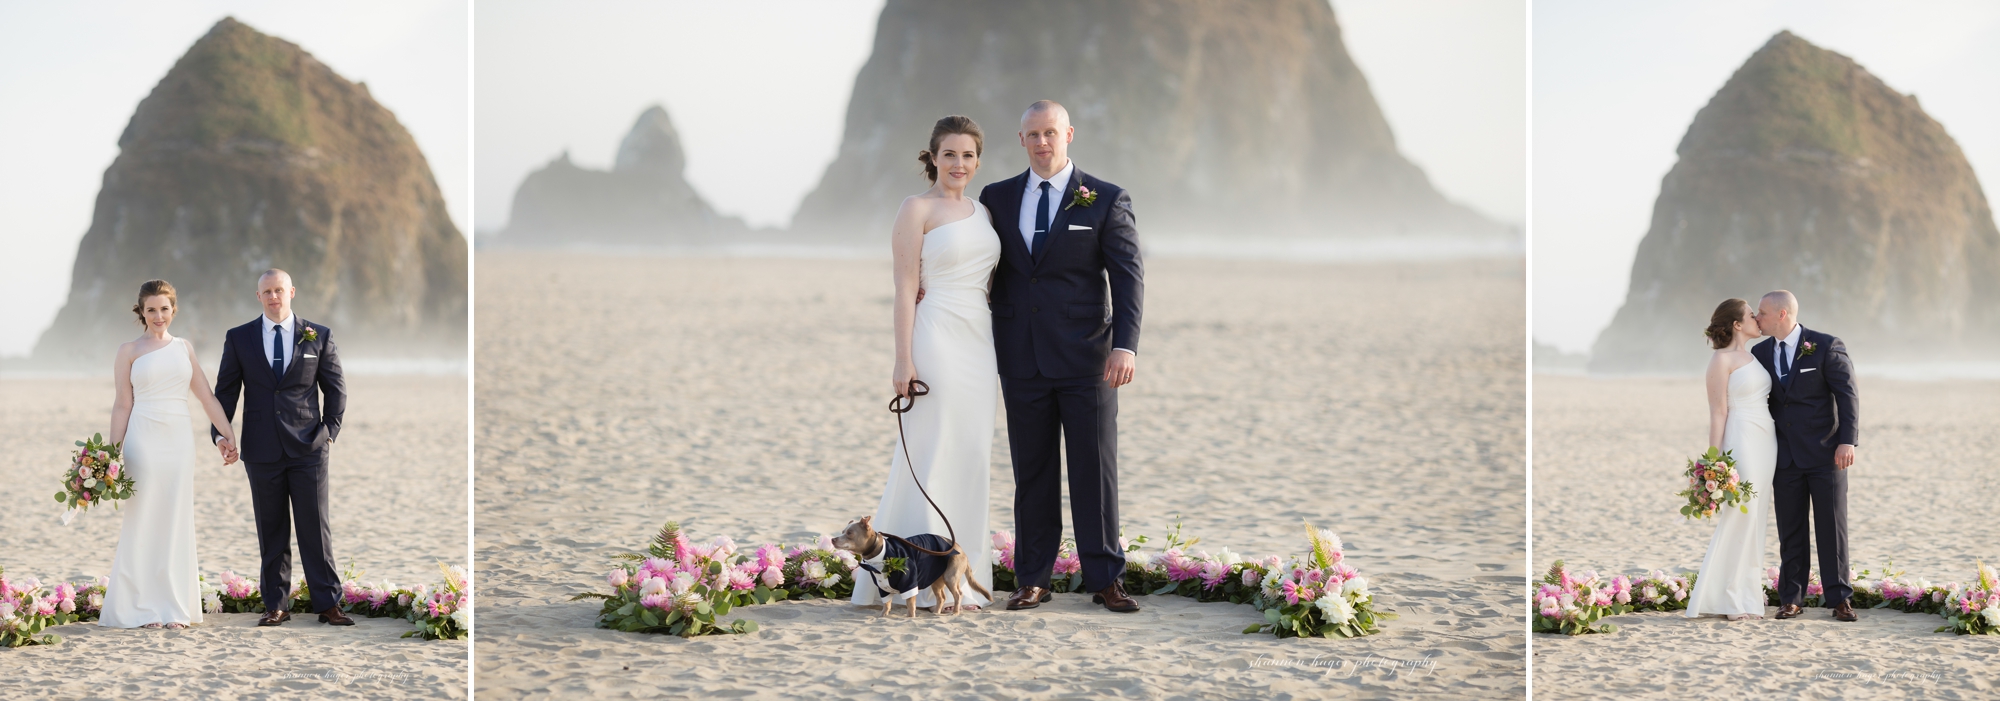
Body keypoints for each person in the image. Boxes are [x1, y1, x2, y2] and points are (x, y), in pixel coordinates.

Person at [978, 100, 1144, 613]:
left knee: (1095, 471)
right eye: (1033, 134)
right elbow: (983, 263)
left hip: (1089, 359)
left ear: (1068, 134)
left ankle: (1105, 579)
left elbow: (1128, 277)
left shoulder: (1106, 199)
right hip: (1020, 359)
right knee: (1032, 473)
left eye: (1051, 132)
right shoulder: (997, 199)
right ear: (1021, 139)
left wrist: (1125, 345)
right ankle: (1033, 578)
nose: (1042, 142)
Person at [850, 115, 1001, 612]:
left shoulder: (984, 211)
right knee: (931, 446)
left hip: (979, 342)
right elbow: (902, 288)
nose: (960, 164)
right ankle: (904, 571)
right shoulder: (915, 209)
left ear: (978, 160)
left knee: (971, 452)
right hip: (934, 336)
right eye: (950, 154)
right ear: (933, 157)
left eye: (969, 155)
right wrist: (902, 358)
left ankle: (959, 569)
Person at [210, 269, 352, 626]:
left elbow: (336, 389)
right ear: (258, 297)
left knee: (315, 528)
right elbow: (225, 392)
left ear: (292, 292)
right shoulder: (239, 338)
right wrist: (220, 435)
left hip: (310, 447)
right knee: (271, 528)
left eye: (279, 290)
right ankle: (276, 604)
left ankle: (328, 604)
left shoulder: (318, 335)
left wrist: (329, 433)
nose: (274, 296)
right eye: (266, 292)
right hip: (260, 450)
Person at [99, 279, 241, 629]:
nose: (158, 316)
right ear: (141, 312)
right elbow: (121, 404)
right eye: (151, 310)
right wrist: (112, 456)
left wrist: (227, 433)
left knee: (176, 519)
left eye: (164, 309)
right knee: (144, 518)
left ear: (173, 311)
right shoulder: (128, 351)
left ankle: (174, 609)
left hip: (178, 443)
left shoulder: (184, 348)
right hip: (142, 441)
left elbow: (206, 396)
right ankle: (142, 609)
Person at [1751, 290, 1860, 622]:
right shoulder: (1759, 352)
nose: (1757, 318)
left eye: (1763, 313)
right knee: (1791, 531)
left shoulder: (1826, 345)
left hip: (1827, 454)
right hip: (1783, 458)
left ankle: (1839, 599)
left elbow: (1847, 395)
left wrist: (1848, 442)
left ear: (1782, 314)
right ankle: (1792, 599)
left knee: (1832, 528)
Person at [1682, 298, 1775, 621]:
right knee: (1740, 515)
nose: (1757, 319)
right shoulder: (1720, 360)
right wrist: (1714, 462)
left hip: (1767, 441)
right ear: (1737, 324)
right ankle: (1726, 598)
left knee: (1756, 517)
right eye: (1752, 315)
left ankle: (1746, 596)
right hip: (1742, 438)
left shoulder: (1755, 355)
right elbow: (1718, 412)